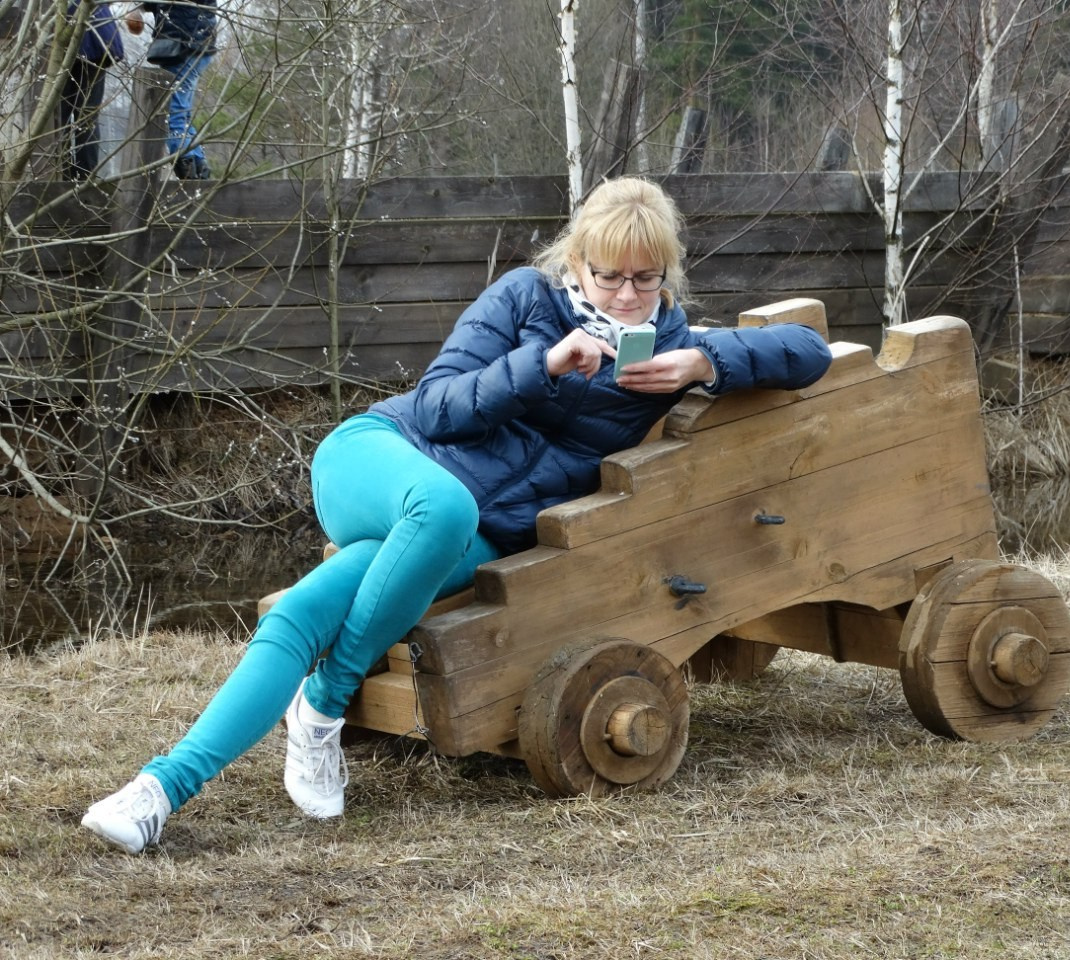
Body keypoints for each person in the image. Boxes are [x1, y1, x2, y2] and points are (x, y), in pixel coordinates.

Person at [80, 176, 833, 854]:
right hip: (383, 458)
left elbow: (808, 350)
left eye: (645, 278)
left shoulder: (672, 347)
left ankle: (158, 793)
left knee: (313, 607)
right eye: (609, 277)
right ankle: (325, 706)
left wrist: (707, 364)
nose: (627, 295)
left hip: (469, 535)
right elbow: (438, 406)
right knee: (442, 504)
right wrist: (539, 367)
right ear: (576, 266)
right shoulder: (522, 300)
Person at [125, 0, 217, 180]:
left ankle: (187, 169)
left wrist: (134, 8)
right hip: (192, 44)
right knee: (180, 113)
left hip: (184, 45)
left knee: (171, 114)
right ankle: (198, 166)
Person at [60, 0, 125, 180]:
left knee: (60, 116)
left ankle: (66, 177)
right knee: (86, 116)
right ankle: (84, 177)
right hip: (97, 34)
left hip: (71, 36)